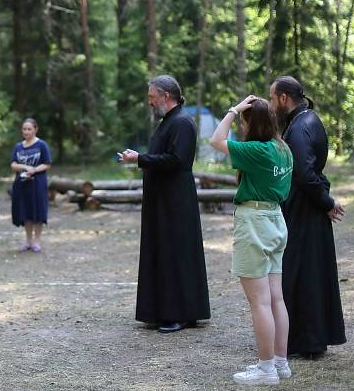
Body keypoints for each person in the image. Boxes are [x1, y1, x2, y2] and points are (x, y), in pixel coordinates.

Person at [210, 96, 294, 385]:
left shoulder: (257, 150)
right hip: (275, 219)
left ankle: (266, 369)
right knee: (275, 298)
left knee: (259, 302)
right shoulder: (283, 148)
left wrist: (233, 110)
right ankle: (280, 364)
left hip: (255, 222)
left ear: (250, 122)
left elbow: (215, 140)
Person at [118, 75, 210, 333]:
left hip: (175, 199)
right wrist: (141, 159)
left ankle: (179, 313)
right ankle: (169, 310)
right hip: (164, 198)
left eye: (151, 97)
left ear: (166, 96)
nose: (149, 102)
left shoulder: (181, 122)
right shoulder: (170, 121)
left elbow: (176, 161)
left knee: (175, 254)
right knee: (166, 252)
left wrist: (140, 159)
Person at [269, 75, 347, 358]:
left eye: (272, 97)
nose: (271, 104)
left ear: (283, 99)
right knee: (307, 273)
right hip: (306, 209)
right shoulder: (304, 121)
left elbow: (304, 173)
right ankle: (307, 339)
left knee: (303, 274)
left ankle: (308, 340)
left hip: (305, 211)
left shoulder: (302, 126)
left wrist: (325, 202)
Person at [10, 118, 52, 252]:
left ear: (35, 129)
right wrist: (25, 167)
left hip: (38, 184)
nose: (26, 131)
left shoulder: (42, 145)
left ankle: (37, 241)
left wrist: (34, 170)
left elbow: (47, 163)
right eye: (24, 129)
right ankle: (28, 241)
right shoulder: (18, 147)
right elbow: (13, 164)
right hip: (22, 184)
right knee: (25, 212)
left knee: (38, 211)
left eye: (29, 129)